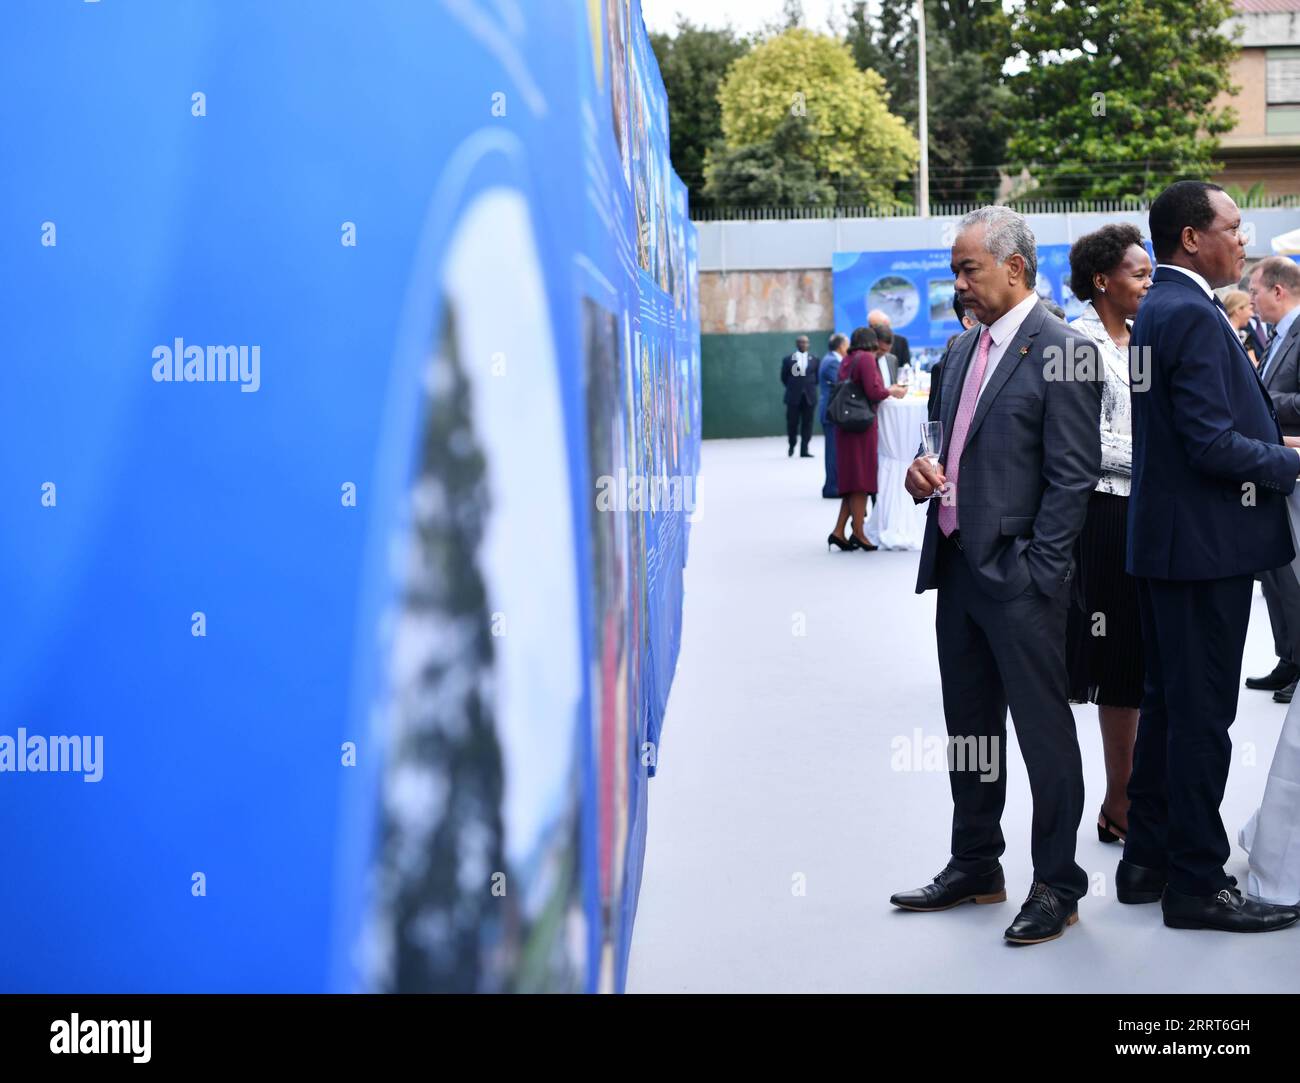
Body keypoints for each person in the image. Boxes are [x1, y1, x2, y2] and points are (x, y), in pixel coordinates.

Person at [891, 206, 1102, 945]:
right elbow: (944, 448)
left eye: (967, 268)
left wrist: (1038, 574)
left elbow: (1073, 479)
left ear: (1015, 268)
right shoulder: (956, 351)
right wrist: (925, 474)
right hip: (957, 574)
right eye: (955, 269)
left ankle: (1058, 884)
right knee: (970, 732)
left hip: (1022, 584)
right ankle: (977, 864)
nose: (957, 282)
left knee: (1044, 736)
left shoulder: (1065, 350)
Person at [1118, 180, 1300, 933]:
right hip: (1202, 548)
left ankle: (1149, 861)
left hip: (1170, 546)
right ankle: (1196, 881)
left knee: (1168, 709)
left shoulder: (1158, 309)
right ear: (1192, 236)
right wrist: (1290, 462)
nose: (1245, 242)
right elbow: (1207, 442)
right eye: (1233, 227)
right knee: (1201, 719)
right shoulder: (1189, 313)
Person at [1061, 223, 1153, 847]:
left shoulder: (1140, 341)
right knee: (1118, 664)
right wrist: (1165, 453)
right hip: (1103, 517)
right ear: (1102, 280)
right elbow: (1083, 447)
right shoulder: (1075, 342)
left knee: (1142, 663)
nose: (1150, 283)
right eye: (1139, 273)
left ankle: (1130, 798)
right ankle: (1119, 803)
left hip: (1149, 515)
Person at [1246, 257, 1300, 702]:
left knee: (1294, 573)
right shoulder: (1279, 338)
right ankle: (1289, 658)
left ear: (1279, 291)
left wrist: (1259, 402)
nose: (1252, 302)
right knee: (1277, 573)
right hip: (1275, 470)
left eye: (1256, 293)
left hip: (1293, 468)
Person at [827, 326, 897, 552]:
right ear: (871, 342)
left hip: (846, 427)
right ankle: (859, 532)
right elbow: (874, 392)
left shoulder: (848, 359)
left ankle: (839, 532)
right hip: (861, 428)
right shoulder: (866, 359)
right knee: (860, 482)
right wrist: (892, 390)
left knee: (851, 480)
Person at [818, 333, 848, 499]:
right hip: (831, 413)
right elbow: (843, 382)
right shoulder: (832, 362)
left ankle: (834, 485)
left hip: (831, 412)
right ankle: (831, 487)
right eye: (847, 344)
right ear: (841, 346)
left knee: (834, 451)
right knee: (833, 452)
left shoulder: (831, 359)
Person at [780, 335, 819, 458]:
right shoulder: (788, 360)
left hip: (809, 397)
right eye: (801, 342)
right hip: (793, 397)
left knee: (807, 423)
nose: (803, 344)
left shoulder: (815, 359)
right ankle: (792, 445)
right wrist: (795, 387)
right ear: (797, 344)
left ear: (809, 344)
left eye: (806, 342)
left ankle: (804, 450)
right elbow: (784, 378)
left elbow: (817, 378)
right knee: (792, 423)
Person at [1222, 290, 1260, 368]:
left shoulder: (1245, 336)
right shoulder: (1222, 334)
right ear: (1238, 310)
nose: (1251, 314)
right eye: (1249, 309)